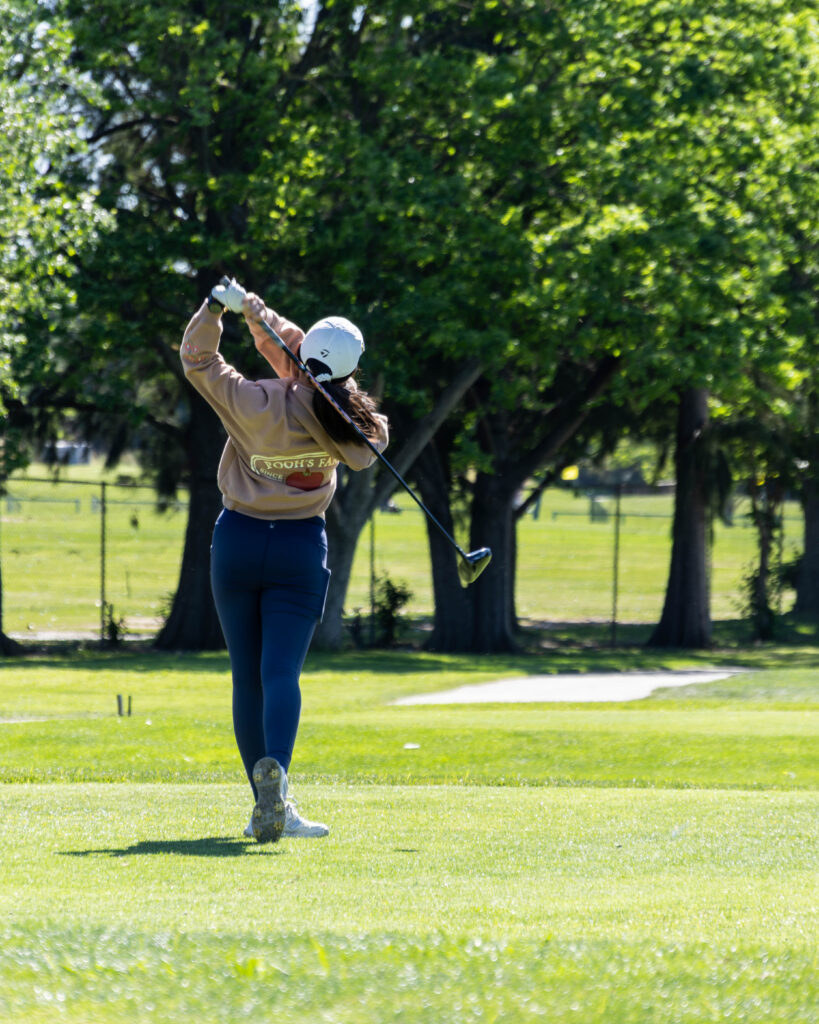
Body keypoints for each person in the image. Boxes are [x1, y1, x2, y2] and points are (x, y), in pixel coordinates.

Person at [180, 278, 389, 843]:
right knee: (281, 676)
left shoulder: (253, 400)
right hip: (300, 549)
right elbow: (309, 370)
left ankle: (261, 802)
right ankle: (278, 784)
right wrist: (262, 317)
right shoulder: (355, 428)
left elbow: (198, 358)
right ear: (351, 371)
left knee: (247, 678)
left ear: (301, 355)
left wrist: (217, 310)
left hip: (239, 543)